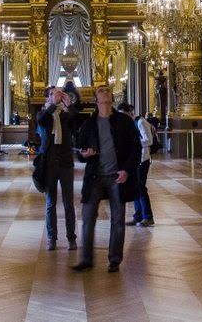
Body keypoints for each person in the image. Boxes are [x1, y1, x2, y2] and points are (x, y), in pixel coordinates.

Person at [72, 87, 141, 273]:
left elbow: (136, 148)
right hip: (94, 177)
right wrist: (85, 154)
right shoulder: (89, 124)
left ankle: (114, 260)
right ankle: (86, 259)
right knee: (87, 218)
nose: (106, 106)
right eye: (102, 103)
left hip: (117, 177)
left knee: (118, 220)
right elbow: (79, 151)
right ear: (96, 102)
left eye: (109, 102)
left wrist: (127, 170)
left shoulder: (124, 122)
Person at [36, 86, 79, 251]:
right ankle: (51, 237)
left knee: (69, 203)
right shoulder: (43, 113)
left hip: (66, 162)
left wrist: (69, 106)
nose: (58, 95)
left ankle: (71, 238)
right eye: (54, 93)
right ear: (47, 97)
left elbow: (75, 124)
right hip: (49, 164)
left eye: (59, 93)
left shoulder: (65, 114)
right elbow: (41, 121)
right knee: (50, 203)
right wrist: (53, 104)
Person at [119, 103, 154, 227]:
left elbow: (149, 140)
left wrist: (133, 142)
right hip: (135, 160)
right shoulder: (127, 125)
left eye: (124, 114)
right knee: (135, 187)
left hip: (143, 159)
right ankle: (138, 216)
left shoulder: (141, 122)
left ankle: (148, 217)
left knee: (141, 188)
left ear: (130, 112)